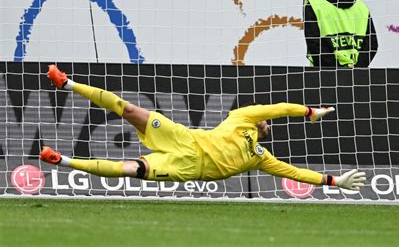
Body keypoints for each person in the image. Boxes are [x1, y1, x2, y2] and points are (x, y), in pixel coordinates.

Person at [40, 65, 366, 191]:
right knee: (129, 109)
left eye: (267, 124)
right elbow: (279, 108)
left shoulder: (259, 156)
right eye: (265, 121)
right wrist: (308, 111)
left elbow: (292, 172)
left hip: (188, 166)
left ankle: (64, 161)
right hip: (184, 137)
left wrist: (332, 180)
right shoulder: (242, 116)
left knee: (131, 168)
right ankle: (67, 83)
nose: (267, 123)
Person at [304, 0, 378, 68]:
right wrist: (357, 68)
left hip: (324, 75)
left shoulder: (314, 4)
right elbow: (372, 45)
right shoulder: (361, 7)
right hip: (356, 77)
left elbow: (314, 43)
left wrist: (337, 70)